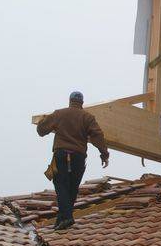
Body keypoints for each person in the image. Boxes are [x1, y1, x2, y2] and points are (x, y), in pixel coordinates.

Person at [36, 91, 110, 230]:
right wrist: (104, 154)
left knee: (61, 186)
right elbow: (97, 135)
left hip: (61, 155)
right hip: (78, 157)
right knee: (72, 188)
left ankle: (67, 217)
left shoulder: (59, 114)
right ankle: (62, 220)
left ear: (70, 101)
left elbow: (41, 130)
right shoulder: (88, 117)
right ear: (82, 102)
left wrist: (43, 120)